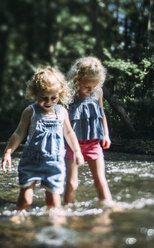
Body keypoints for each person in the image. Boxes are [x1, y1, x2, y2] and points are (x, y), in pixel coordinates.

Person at [1, 67, 84, 211]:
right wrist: (8, 152)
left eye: (54, 98)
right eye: (44, 98)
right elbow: (19, 133)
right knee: (26, 200)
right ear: (35, 94)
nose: (49, 102)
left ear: (60, 95)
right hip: (32, 161)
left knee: (53, 203)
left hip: (55, 163)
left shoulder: (62, 111)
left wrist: (77, 151)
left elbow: (69, 133)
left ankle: (52, 228)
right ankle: (19, 219)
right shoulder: (30, 111)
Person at [64, 57, 113, 206]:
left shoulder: (98, 92)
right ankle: (67, 208)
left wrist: (106, 134)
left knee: (100, 180)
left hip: (93, 143)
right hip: (72, 145)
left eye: (94, 85)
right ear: (77, 80)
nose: (90, 90)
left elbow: (101, 113)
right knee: (72, 183)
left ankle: (108, 207)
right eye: (87, 86)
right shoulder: (68, 95)